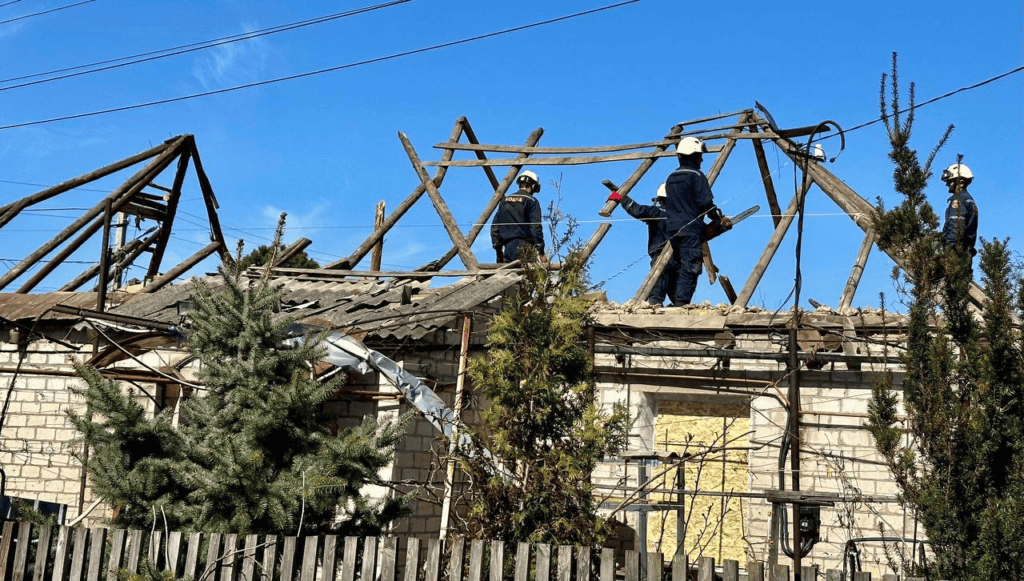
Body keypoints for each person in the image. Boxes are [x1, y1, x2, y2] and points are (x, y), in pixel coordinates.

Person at [663, 137, 730, 305]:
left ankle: (676, 300)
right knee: (690, 266)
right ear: (692, 156)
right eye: (699, 155)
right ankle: (681, 303)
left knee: (679, 265)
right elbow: (705, 203)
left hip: (672, 229)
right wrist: (717, 218)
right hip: (690, 228)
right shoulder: (696, 176)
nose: (701, 159)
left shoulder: (671, 177)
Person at [607, 183, 679, 306]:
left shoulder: (657, 212)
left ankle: (655, 303)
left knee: (659, 277)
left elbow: (638, 210)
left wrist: (620, 198)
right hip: (679, 256)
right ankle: (678, 304)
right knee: (674, 285)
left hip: (662, 254)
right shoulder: (681, 215)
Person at [491, 170, 545, 263]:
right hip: (525, 248)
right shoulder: (531, 201)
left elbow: (495, 228)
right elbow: (536, 228)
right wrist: (541, 251)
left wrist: (499, 252)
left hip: (507, 250)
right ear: (533, 186)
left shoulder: (505, 201)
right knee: (528, 276)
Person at [940, 162, 979, 262]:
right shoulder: (969, 201)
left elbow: (956, 230)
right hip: (965, 255)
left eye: (950, 181)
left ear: (960, 182)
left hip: (956, 256)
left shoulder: (959, 201)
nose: (947, 184)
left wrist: (948, 253)